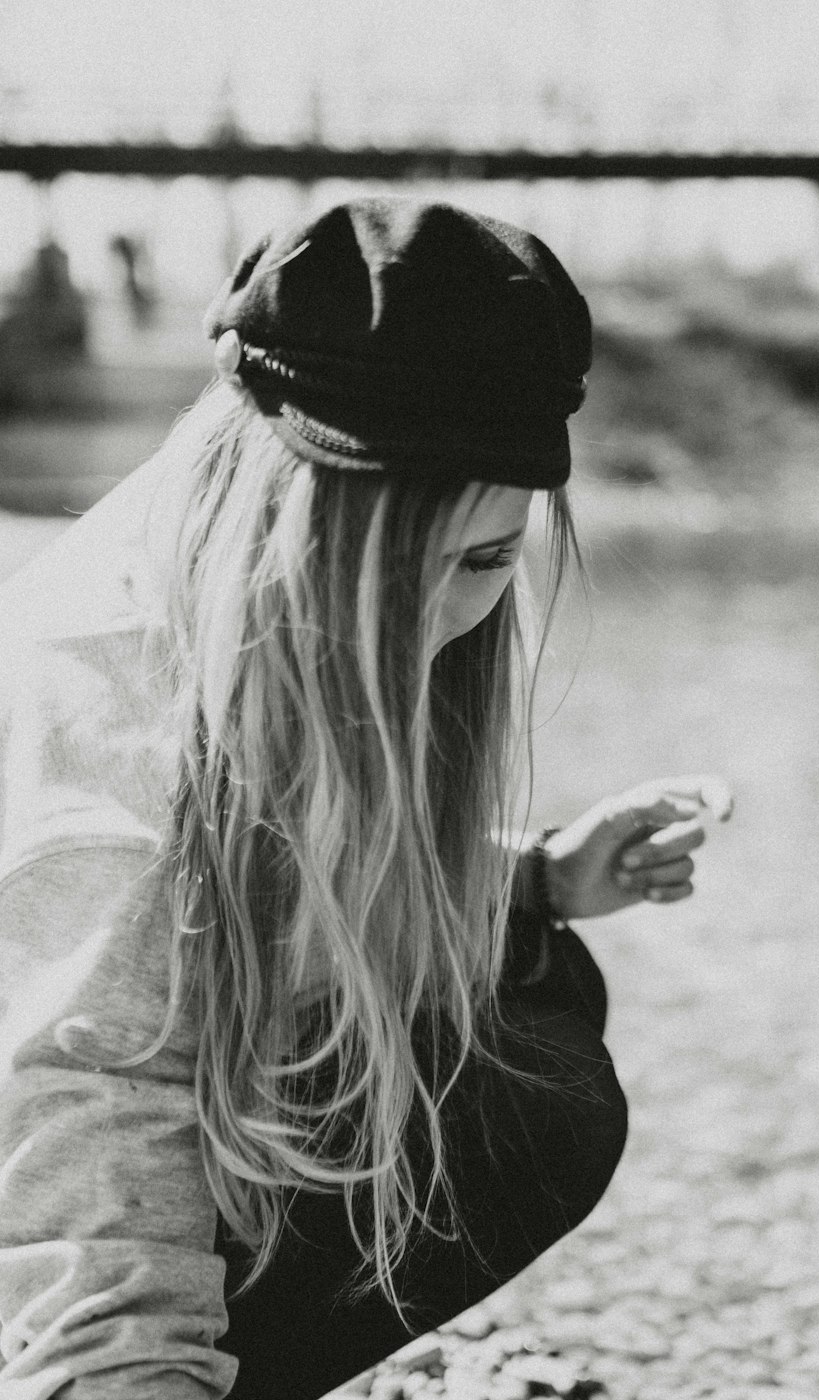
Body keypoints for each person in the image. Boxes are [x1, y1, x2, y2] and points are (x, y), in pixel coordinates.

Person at [0, 197, 731, 1399]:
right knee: (525, 1103)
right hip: (40, 1157)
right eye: (390, 565)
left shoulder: (200, 554)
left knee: (524, 988)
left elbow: (268, 891)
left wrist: (534, 873)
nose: (434, 622)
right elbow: (94, 1107)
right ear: (283, 518)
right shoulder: (118, 774)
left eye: (487, 559)